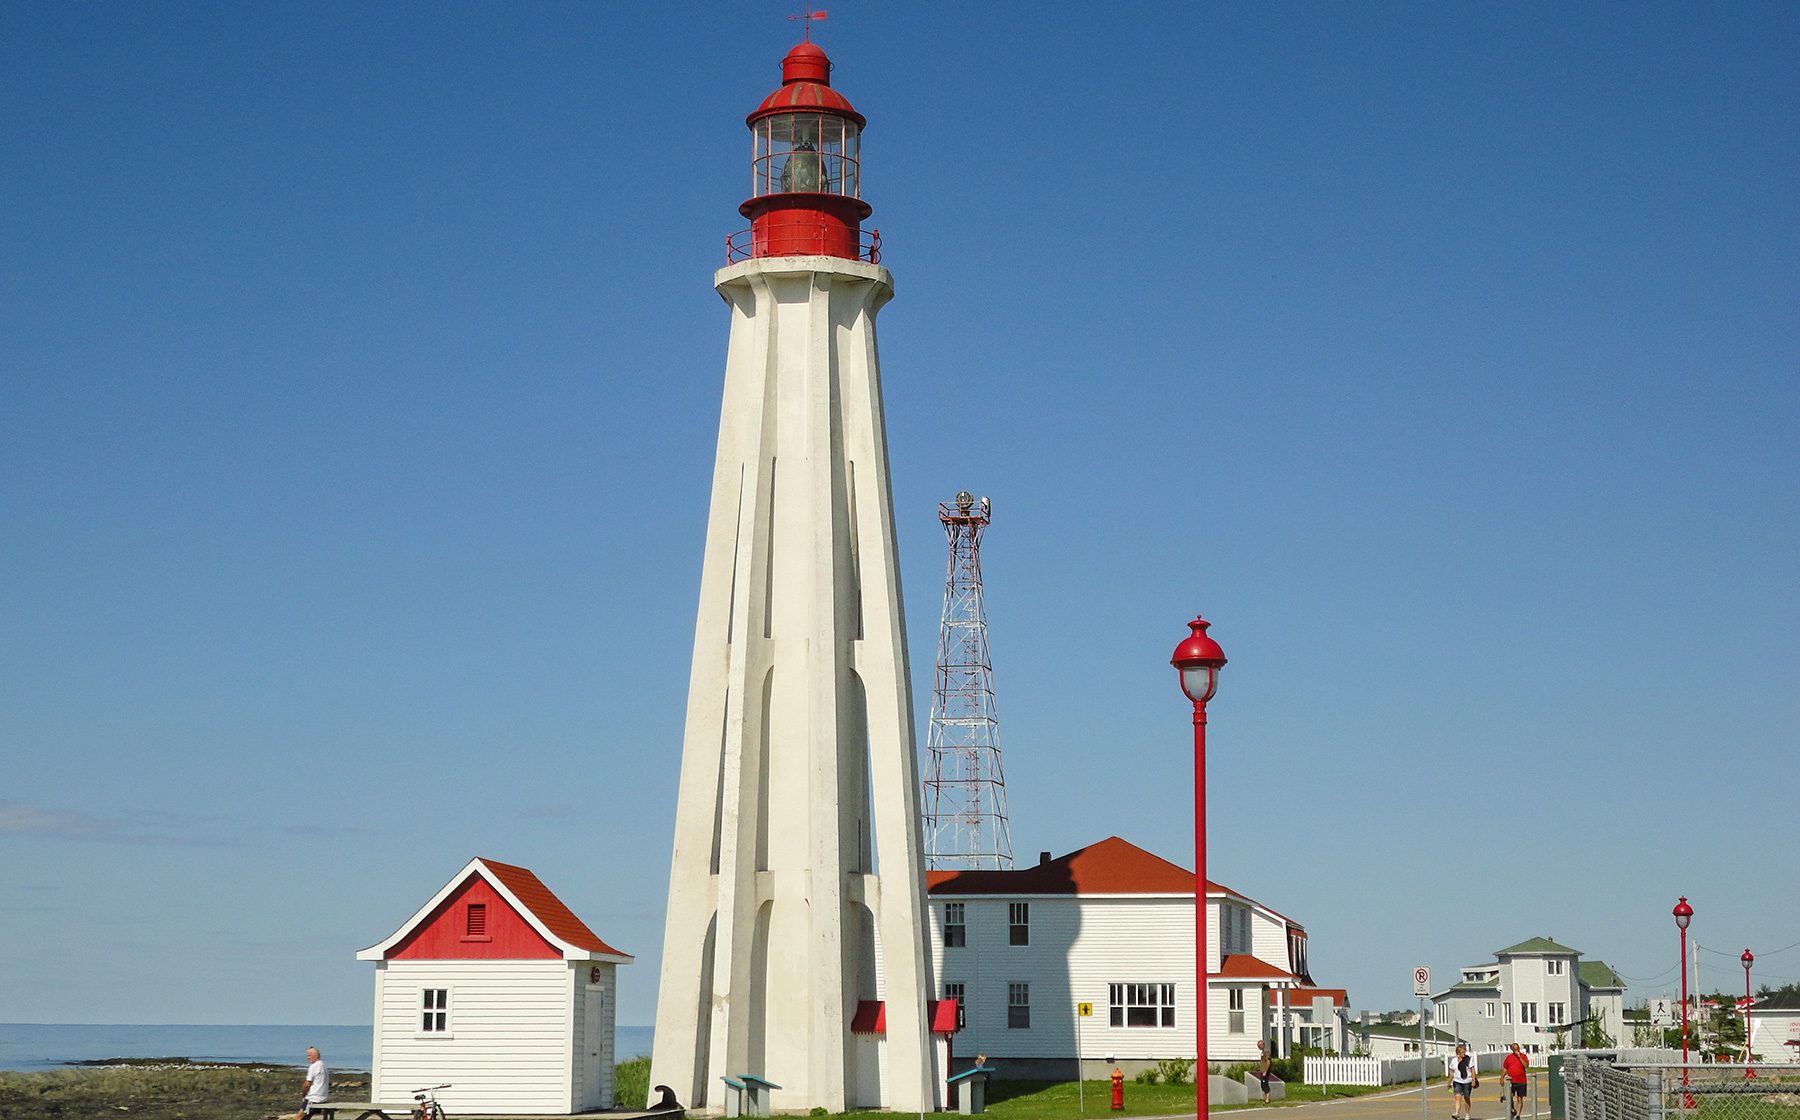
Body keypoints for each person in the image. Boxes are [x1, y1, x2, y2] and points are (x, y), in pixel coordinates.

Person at [296, 1046, 329, 1120]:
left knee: (298, 1118)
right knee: (306, 1118)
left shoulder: (314, 1066)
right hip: (323, 1098)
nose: (308, 1058)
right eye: (307, 1055)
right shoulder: (323, 1065)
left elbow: (307, 1084)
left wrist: (303, 1094)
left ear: (316, 1055)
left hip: (313, 1098)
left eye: (309, 1055)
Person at [1449, 1043, 1476, 1120]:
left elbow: (1472, 1070)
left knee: (1466, 1098)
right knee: (1457, 1097)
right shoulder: (1454, 1061)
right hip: (1457, 1081)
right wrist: (1449, 1082)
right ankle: (1457, 1113)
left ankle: (1467, 1114)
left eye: (1464, 1052)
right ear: (1458, 1053)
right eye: (1462, 1052)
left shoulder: (1468, 1060)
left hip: (1467, 1082)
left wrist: (1473, 1080)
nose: (1464, 1053)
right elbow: (1451, 1072)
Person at [1503, 1043, 1529, 1119]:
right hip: (1511, 1081)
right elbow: (1505, 1068)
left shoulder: (1523, 1056)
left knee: (1519, 1098)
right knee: (1509, 1096)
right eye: (1515, 1049)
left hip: (1521, 1080)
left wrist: (1519, 1057)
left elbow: (1526, 1066)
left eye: (1517, 1049)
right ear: (1512, 1050)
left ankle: (1518, 1114)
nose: (1516, 1050)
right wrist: (1502, 1077)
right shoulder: (1509, 1057)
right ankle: (1512, 1109)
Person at [1256, 1040, 1273, 1104]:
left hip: (1265, 1071)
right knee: (1262, 1085)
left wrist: (1265, 1071)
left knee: (1265, 1084)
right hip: (1262, 1070)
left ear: (1263, 1044)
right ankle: (1266, 1098)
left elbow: (1268, 1062)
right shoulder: (1263, 1052)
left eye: (1259, 1045)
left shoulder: (1266, 1051)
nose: (1258, 1047)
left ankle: (1267, 1099)